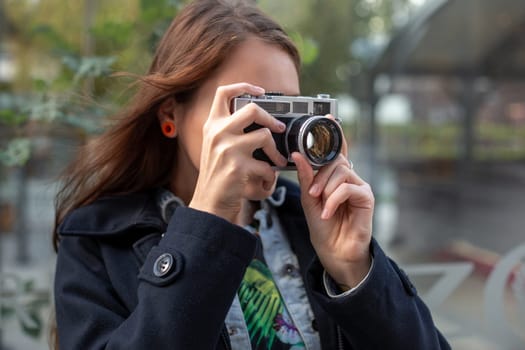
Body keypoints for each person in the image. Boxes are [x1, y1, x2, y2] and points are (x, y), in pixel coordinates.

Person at [52, 0, 450, 349]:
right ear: (170, 114)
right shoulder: (97, 239)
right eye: (248, 109)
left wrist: (354, 271)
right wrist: (206, 225)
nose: (270, 130)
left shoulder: (313, 223)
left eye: (286, 111)